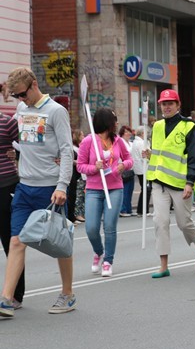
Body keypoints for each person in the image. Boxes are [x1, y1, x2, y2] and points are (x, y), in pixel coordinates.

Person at [0, 68, 75, 317]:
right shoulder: (22, 110)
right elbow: (30, 141)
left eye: (22, 94)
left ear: (33, 85)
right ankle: (6, 300)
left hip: (50, 188)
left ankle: (67, 294)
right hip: (25, 186)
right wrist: (17, 150)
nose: (21, 100)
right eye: (16, 96)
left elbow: (66, 150)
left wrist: (62, 185)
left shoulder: (56, 111)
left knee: (58, 243)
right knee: (16, 241)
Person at [143, 89, 195, 278]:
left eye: (171, 103)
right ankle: (164, 265)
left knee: (184, 223)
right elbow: (161, 153)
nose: (167, 106)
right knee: (160, 221)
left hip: (180, 183)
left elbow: (194, 157)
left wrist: (190, 182)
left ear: (178, 105)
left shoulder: (188, 126)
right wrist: (150, 155)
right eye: (164, 103)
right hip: (158, 181)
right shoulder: (157, 126)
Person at [77, 108, 133, 278]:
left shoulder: (118, 141)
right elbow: (80, 165)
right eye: (114, 120)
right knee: (91, 228)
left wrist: (124, 165)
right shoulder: (88, 141)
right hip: (94, 189)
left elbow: (130, 159)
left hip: (115, 187)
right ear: (107, 122)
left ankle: (108, 261)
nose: (116, 124)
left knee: (109, 226)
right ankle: (99, 252)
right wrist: (95, 168)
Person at [0, 107, 23, 310]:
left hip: (6, 184)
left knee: (10, 240)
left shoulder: (7, 122)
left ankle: (16, 294)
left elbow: (28, 144)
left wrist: (14, 152)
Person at [131, 126, 149, 216]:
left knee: (144, 189)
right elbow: (145, 156)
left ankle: (141, 210)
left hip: (138, 169)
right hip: (143, 169)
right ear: (143, 134)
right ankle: (143, 210)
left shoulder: (135, 142)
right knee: (146, 189)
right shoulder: (142, 143)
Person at [118, 125, 135, 216]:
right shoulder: (121, 142)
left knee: (130, 190)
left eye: (129, 131)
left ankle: (129, 209)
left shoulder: (131, 143)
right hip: (123, 169)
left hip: (131, 169)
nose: (128, 133)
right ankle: (123, 209)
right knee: (124, 190)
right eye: (126, 132)